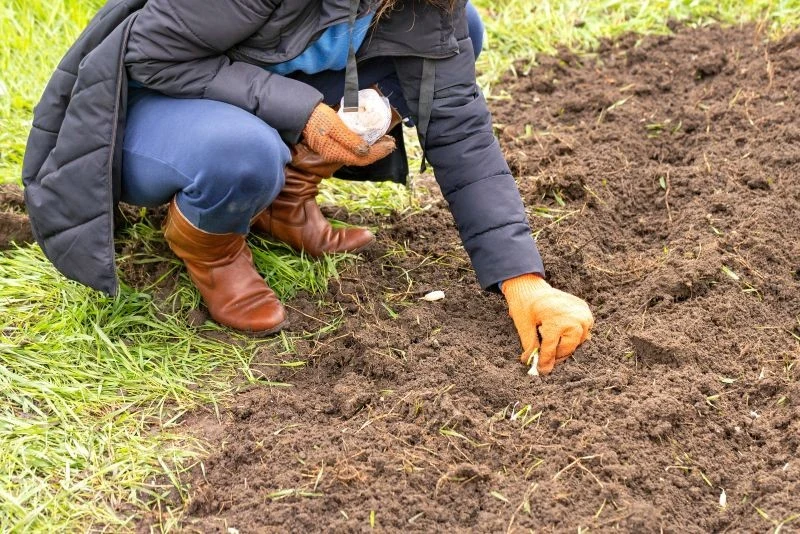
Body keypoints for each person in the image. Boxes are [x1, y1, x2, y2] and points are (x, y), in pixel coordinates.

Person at [22, 0, 593, 375]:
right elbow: (149, 55)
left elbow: (460, 131)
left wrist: (524, 282)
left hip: (237, 87)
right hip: (145, 105)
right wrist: (304, 113)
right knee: (243, 154)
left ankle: (281, 199)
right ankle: (214, 250)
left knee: (460, 28)